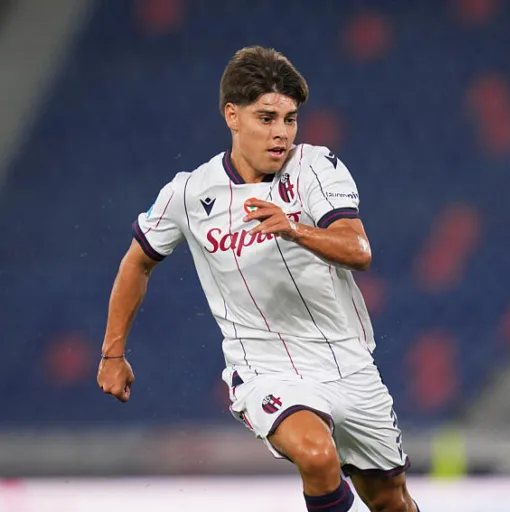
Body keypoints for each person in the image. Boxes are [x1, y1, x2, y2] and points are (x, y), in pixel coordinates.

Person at [97, 46, 419, 512]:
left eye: (290, 120)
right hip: (265, 369)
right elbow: (136, 262)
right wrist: (112, 353)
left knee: (392, 501)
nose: (280, 133)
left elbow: (359, 250)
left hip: (348, 363)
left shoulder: (315, 167)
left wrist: (294, 228)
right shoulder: (189, 193)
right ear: (232, 115)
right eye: (266, 118)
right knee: (316, 455)